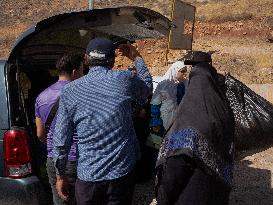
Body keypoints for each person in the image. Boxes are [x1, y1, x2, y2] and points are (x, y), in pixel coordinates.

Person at [53, 38, 152, 205]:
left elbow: (61, 139)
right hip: (121, 175)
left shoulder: (69, 91)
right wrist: (136, 57)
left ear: (86, 59)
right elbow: (147, 86)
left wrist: (60, 175)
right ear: (113, 61)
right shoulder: (124, 79)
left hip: (88, 176)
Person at [155, 51, 235, 205]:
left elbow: (175, 168)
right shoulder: (223, 110)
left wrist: (163, 199)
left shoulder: (189, 120)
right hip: (219, 193)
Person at [35, 54, 84, 205]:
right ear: (75, 72)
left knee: (60, 200)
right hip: (79, 159)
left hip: (54, 160)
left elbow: (40, 134)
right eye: (83, 70)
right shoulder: (82, 94)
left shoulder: (41, 97)